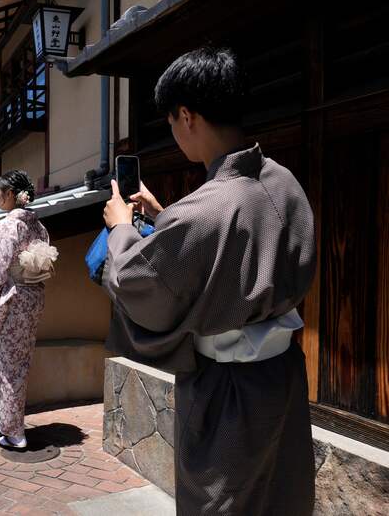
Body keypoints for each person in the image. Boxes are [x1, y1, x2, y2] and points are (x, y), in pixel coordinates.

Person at [101, 47, 316, 515]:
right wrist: (164, 218)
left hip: (227, 390)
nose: (175, 133)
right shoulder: (283, 181)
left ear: (186, 114)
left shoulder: (204, 211)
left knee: (220, 503)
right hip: (281, 377)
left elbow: (140, 285)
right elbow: (230, 242)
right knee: (280, 496)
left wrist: (121, 226)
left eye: (173, 122)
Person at [0, 170, 51, 450]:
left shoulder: (7, 226)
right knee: (18, 365)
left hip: (12, 299)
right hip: (32, 300)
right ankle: (7, 422)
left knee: (7, 367)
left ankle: (15, 434)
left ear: (9, 195)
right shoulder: (38, 226)